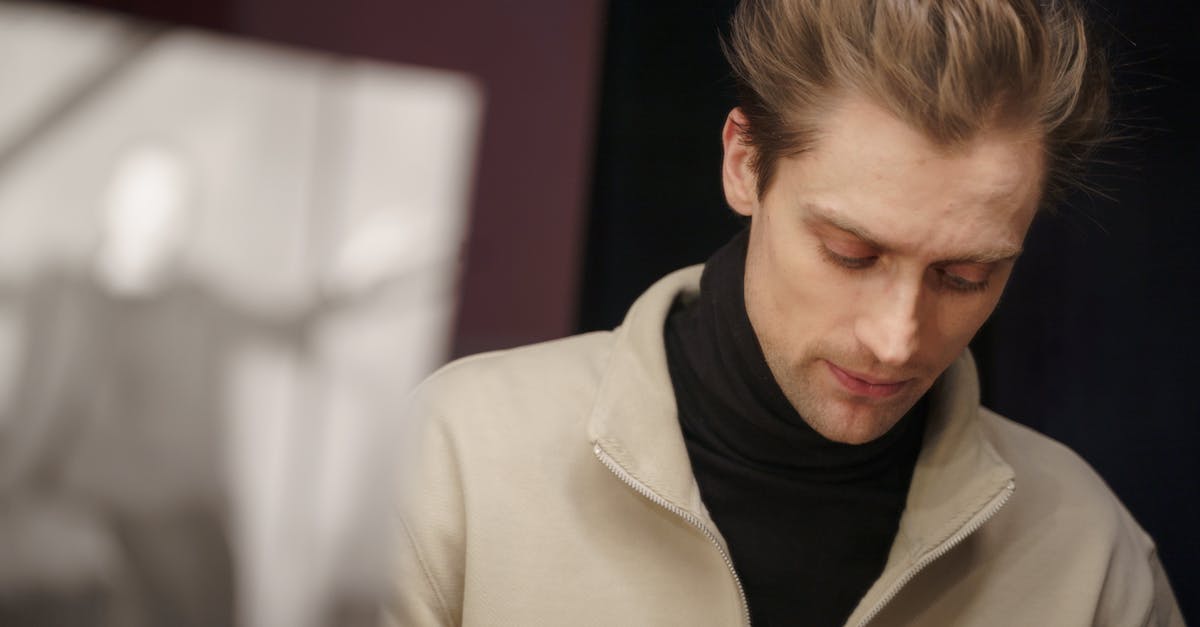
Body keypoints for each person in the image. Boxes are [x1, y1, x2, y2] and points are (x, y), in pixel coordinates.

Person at [393, 0, 1185, 625]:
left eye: (965, 276)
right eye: (850, 253)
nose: (895, 338)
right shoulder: (456, 461)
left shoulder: (1090, 558)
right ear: (745, 163)